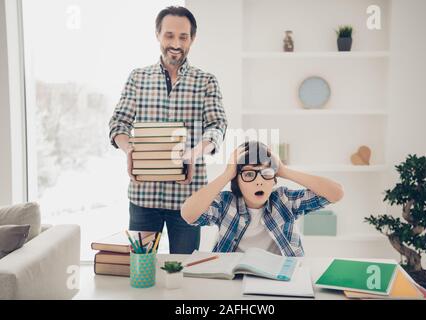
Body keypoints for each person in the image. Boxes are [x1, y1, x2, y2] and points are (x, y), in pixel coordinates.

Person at [109, 6, 227, 254]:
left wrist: (195, 152)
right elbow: (119, 123)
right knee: (141, 269)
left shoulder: (206, 81)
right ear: (158, 35)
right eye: (169, 35)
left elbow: (216, 126)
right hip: (143, 196)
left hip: (188, 198)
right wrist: (130, 150)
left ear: (192, 39)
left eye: (183, 37)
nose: (176, 43)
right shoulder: (137, 78)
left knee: (182, 272)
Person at [181, 141, 344, 256]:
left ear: (274, 178)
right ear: (237, 180)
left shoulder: (284, 200)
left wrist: (285, 170)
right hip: (235, 278)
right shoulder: (226, 204)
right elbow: (188, 214)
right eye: (249, 174)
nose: (259, 181)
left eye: (266, 173)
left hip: (280, 278)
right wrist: (226, 174)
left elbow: (336, 193)